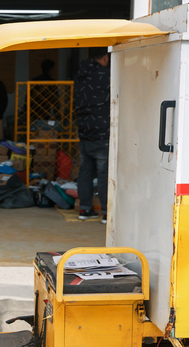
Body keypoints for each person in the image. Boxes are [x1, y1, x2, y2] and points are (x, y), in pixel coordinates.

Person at [74, 47, 110, 225]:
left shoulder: (80, 75)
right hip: (102, 132)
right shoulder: (106, 75)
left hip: (84, 131)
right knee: (104, 174)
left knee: (85, 172)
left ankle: (85, 209)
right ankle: (106, 213)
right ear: (105, 58)